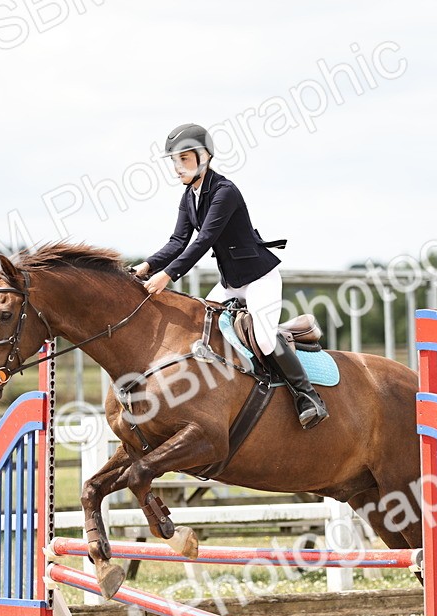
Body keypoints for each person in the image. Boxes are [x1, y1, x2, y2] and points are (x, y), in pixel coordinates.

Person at [134, 123, 328, 429]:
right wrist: (145, 267)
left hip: (260, 277)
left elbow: (204, 240)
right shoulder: (189, 196)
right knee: (197, 328)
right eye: (175, 160)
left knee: (264, 339)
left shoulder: (225, 192)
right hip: (230, 283)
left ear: (205, 157)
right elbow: (177, 241)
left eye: (184, 159)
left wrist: (168, 276)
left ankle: (308, 396)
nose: (177, 167)